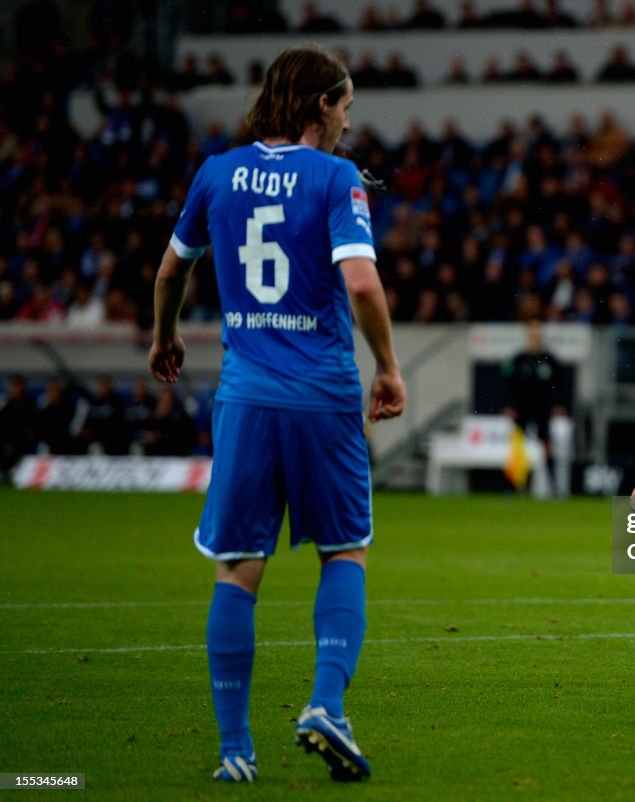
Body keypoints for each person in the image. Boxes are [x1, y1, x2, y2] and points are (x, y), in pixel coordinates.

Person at [149, 45, 405, 783]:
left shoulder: (217, 172)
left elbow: (172, 269)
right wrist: (387, 366)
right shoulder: (336, 178)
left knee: (237, 571)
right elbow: (360, 283)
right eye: (346, 109)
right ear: (320, 105)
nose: (348, 125)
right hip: (323, 397)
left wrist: (165, 336)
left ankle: (235, 750)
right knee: (343, 553)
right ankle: (326, 703)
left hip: (247, 395)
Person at [502, 319, 571, 496]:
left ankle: (554, 487)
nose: (534, 335)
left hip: (543, 409)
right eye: (532, 332)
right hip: (522, 409)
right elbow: (508, 384)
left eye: (537, 332)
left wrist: (559, 404)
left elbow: (560, 384)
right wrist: (509, 405)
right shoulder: (519, 359)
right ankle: (514, 487)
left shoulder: (549, 359)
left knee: (546, 446)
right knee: (517, 449)